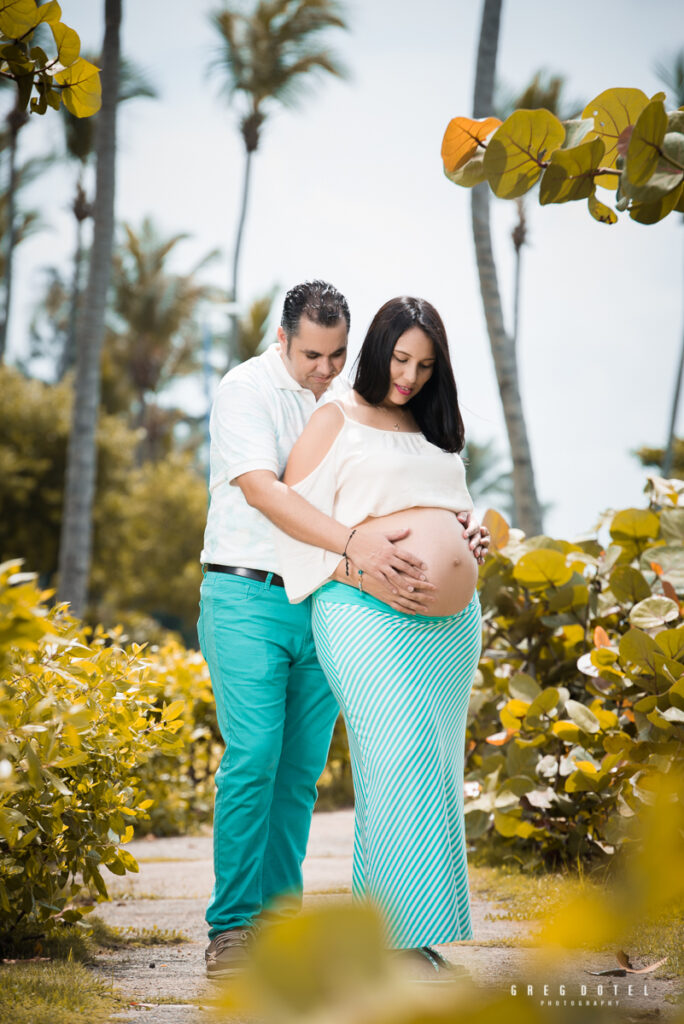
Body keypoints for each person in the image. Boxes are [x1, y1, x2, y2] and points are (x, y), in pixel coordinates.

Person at [197, 281, 488, 980]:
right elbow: (265, 490)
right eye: (312, 355)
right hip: (250, 590)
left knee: (299, 772)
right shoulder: (249, 392)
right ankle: (233, 928)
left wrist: (458, 532)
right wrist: (356, 546)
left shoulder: (354, 401)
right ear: (282, 339)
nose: (324, 368)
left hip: (324, 601)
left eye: (336, 355)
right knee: (255, 752)